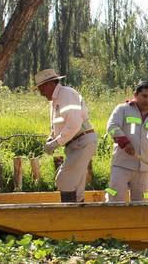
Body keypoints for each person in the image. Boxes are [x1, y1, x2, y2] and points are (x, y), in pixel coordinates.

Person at [35, 68, 97, 203]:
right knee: (76, 187)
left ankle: (68, 215)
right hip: (76, 143)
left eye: (41, 89)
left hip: (82, 142)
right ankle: (76, 218)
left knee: (63, 179)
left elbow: (74, 124)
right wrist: (52, 138)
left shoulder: (66, 94)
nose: (40, 93)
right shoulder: (57, 99)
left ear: (49, 84)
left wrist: (56, 143)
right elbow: (60, 124)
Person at [104, 80, 148, 202]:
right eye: (144, 96)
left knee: (142, 202)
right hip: (122, 165)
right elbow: (111, 126)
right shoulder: (122, 109)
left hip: (143, 169)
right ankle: (113, 221)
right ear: (135, 94)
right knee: (114, 197)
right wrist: (125, 143)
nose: (147, 100)